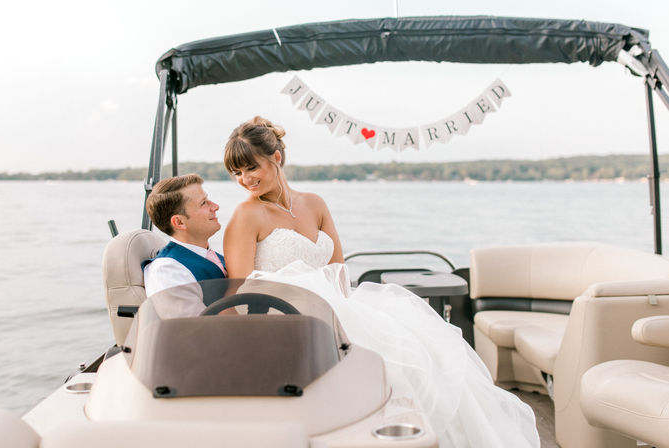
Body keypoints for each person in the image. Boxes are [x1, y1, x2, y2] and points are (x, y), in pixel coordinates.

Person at [222, 117, 539, 447]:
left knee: (420, 355)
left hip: (338, 307)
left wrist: (346, 314)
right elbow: (240, 290)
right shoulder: (246, 215)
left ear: (275, 158)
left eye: (250, 168)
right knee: (388, 373)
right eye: (237, 173)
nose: (244, 180)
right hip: (288, 320)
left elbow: (339, 268)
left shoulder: (314, 203)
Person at [143, 173, 228, 318]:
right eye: (204, 203)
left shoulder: (217, 257)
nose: (215, 206)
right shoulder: (166, 271)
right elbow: (192, 330)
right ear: (180, 222)